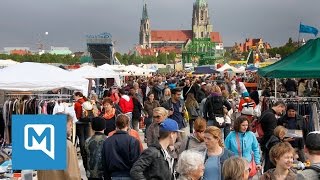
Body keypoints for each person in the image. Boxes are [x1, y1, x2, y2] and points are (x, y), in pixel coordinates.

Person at [37, 114, 81, 180]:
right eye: (70, 125)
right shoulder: (67, 145)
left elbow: (39, 173)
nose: (71, 128)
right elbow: (72, 175)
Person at [102, 114, 141, 180]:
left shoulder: (107, 141)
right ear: (128, 124)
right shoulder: (133, 141)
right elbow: (136, 161)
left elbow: (104, 162)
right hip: (129, 174)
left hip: (113, 175)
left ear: (116, 124)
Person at [260, 101, 286, 172]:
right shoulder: (271, 116)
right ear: (279, 106)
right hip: (269, 143)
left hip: (265, 141)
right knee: (269, 163)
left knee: (267, 162)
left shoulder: (266, 112)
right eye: (282, 110)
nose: (281, 113)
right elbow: (271, 132)